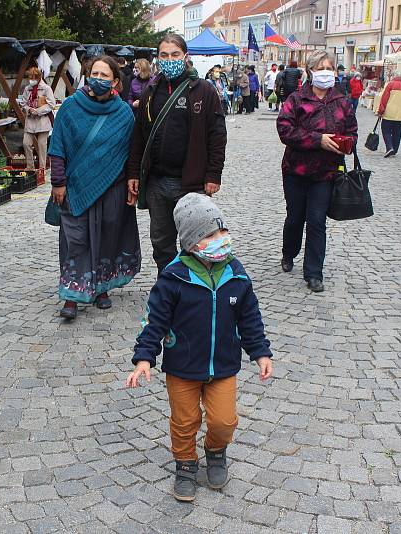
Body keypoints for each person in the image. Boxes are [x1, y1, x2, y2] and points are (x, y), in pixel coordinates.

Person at [125, 193, 273, 502]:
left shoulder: (236, 273)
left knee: (224, 420)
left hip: (223, 366)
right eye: (210, 234)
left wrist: (260, 352)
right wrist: (144, 359)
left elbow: (250, 317)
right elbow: (155, 321)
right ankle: (185, 464)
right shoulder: (174, 277)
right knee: (185, 420)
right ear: (192, 242)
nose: (221, 239)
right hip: (183, 368)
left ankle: (216, 451)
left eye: (222, 231)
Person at [48, 56, 141, 319]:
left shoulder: (123, 113)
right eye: (95, 74)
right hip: (75, 187)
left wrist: (133, 183)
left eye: (105, 75)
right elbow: (58, 148)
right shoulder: (69, 107)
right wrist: (58, 182)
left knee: (107, 237)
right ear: (87, 76)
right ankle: (71, 295)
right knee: (75, 240)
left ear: (115, 81)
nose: (99, 79)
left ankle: (101, 288)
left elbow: (130, 151)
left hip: (112, 187)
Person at [128, 33, 227, 274]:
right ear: (157, 59)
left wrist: (213, 174)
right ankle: (168, 283)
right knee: (161, 242)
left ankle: (193, 287)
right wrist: (133, 172)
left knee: (195, 240)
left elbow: (217, 135)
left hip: (191, 183)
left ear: (185, 57)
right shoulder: (150, 91)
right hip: (157, 182)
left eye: (175, 54)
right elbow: (139, 135)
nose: (169, 59)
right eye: (164, 55)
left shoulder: (204, 90)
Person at [276, 50, 358, 293]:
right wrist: (317, 139)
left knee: (316, 221)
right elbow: (284, 129)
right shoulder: (297, 99)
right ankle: (288, 252)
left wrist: (345, 143)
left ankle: (313, 273)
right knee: (295, 217)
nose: (326, 72)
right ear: (310, 72)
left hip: (325, 173)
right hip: (296, 170)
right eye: (321, 68)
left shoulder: (341, 101)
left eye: (329, 68)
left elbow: (353, 133)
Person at [21, 66, 56, 172]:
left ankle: (42, 168)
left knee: (42, 144)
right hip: (31, 119)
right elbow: (23, 103)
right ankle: (30, 166)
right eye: (29, 77)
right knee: (26, 143)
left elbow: (52, 104)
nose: (30, 80)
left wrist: (39, 111)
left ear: (38, 77)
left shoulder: (46, 88)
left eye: (33, 78)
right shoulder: (27, 89)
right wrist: (28, 109)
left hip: (43, 120)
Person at [377, 73, 401, 157]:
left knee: (386, 130)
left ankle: (389, 147)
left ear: (394, 77)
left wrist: (380, 111)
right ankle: (394, 149)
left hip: (389, 114)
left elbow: (384, 99)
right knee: (397, 133)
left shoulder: (390, 85)